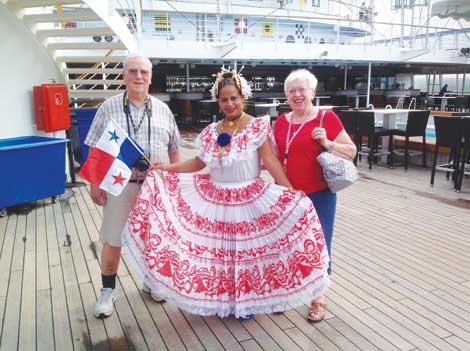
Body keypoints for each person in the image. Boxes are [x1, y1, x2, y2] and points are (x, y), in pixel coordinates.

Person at [123, 67, 330, 321]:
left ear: (243, 98)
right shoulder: (211, 131)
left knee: (245, 253)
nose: (230, 103)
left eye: (234, 98)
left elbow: (271, 161)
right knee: (220, 253)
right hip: (216, 198)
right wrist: (169, 168)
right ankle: (226, 302)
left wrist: (290, 190)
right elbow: (199, 163)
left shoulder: (256, 127)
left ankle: (247, 303)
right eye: (224, 99)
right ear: (218, 102)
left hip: (248, 197)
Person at [84, 52, 181, 318]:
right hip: (119, 185)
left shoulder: (163, 109)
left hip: (155, 187)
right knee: (113, 239)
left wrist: (173, 179)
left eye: (144, 72)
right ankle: (107, 291)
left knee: (155, 237)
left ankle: (152, 282)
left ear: (150, 78)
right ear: (124, 75)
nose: (139, 76)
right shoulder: (108, 107)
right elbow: (94, 146)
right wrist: (95, 184)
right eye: (133, 71)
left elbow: (174, 149)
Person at [274, 69, 357, 322]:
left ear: (312, 92)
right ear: (286, 95)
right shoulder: (280, 122)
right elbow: (275, 158)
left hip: (319, 194)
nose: (297, 95)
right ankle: (289, 293)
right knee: (289, 245)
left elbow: (351, 151)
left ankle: (318, 298)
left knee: (320, 244)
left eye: (302, 89)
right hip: (289, 194)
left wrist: (328, 143)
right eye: (292, 91)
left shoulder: (326, 118)